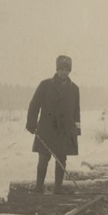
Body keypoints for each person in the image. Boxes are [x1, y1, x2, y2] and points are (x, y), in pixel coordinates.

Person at [26, 55, 81, 194]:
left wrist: (77, 129)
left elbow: (76, 111)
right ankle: (39, 187)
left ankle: (58, 188)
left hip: (65, 130)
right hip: (47, 129)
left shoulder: (74, 88)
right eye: (61, 69)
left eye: (67, 69)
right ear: (56, 69)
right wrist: (31, 123)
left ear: (70, 71)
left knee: (61, 159)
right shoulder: (45, 85)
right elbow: (34, 105)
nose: (64, 72)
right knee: (43, 158)